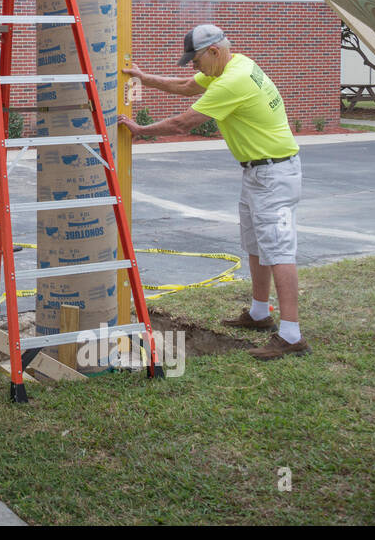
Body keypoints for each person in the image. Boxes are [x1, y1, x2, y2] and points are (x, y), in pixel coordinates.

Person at [120, 24, 308, 361]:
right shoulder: (237, 65)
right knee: (255, 244)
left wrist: (140, 130)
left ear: (214, 52)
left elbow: (183, 123)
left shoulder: (232, 81)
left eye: (196, 60)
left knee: (278, 250)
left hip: (274, 174)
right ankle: (259, 313)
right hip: (259, 172)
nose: (194, 67)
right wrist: (144, 78)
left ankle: (291, 335)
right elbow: (187, 86)